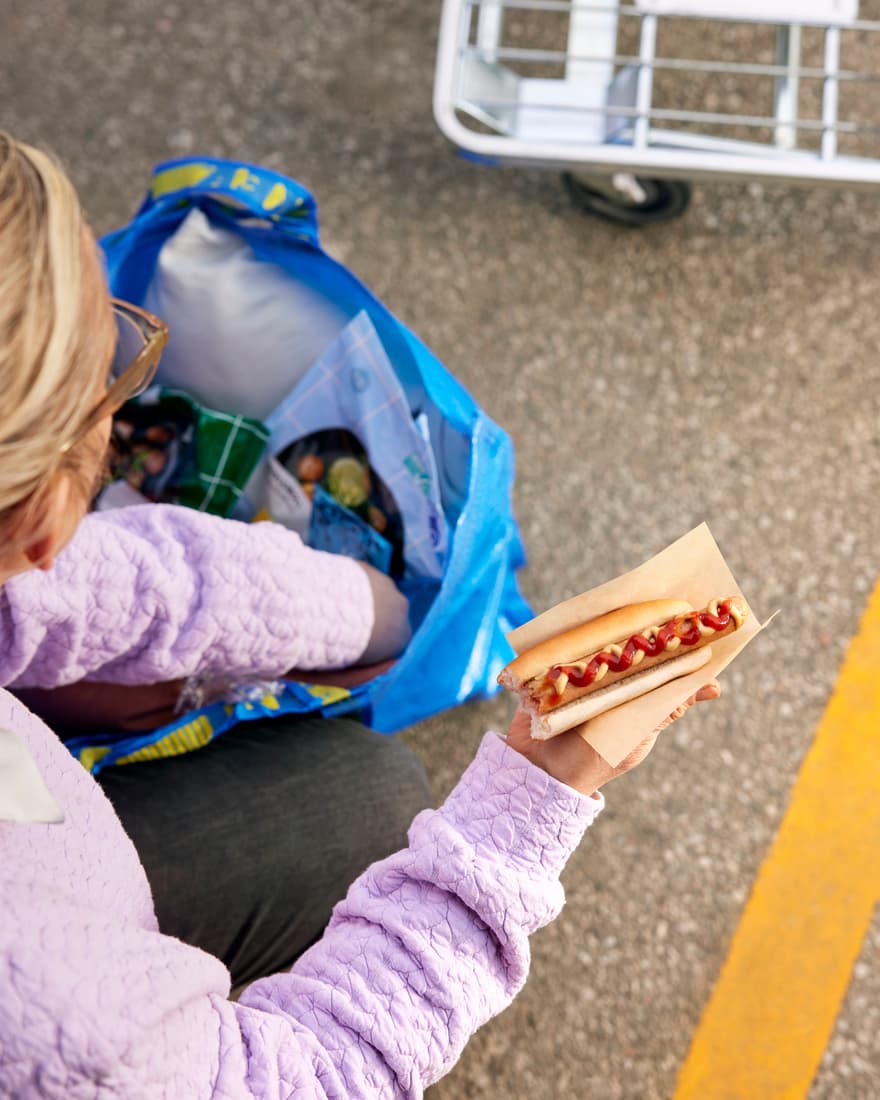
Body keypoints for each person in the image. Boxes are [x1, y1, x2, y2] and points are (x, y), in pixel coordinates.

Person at [0, 132, 719, 1098]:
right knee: (375, 804)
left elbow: (106, 583)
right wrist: (537, 793)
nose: (130, 389)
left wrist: (374, 617)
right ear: (34, 516)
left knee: (362, 796)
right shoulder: (58, 1027)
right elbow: (324, 1075)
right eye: (115, 366)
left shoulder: (29, 547)